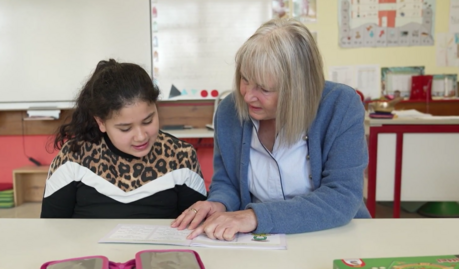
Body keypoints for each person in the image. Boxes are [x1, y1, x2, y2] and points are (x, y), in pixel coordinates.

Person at [171, 18, 370, 240]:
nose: (247, 95)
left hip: (333, 236)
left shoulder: (340, 105)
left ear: (298, 90)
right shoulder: (229, 111)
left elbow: (342, 197)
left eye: (264, 89)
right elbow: (227, 181)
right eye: (245, 79)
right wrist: (219, 203)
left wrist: (254, 217)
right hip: (260, 241)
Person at [41, 59, 206, 218]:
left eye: (148, 121)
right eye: (125, 128)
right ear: (101, 122)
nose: (141, 136)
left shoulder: (180, 156)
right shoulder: (73, 157)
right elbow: (52, 229)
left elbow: (195, 228)